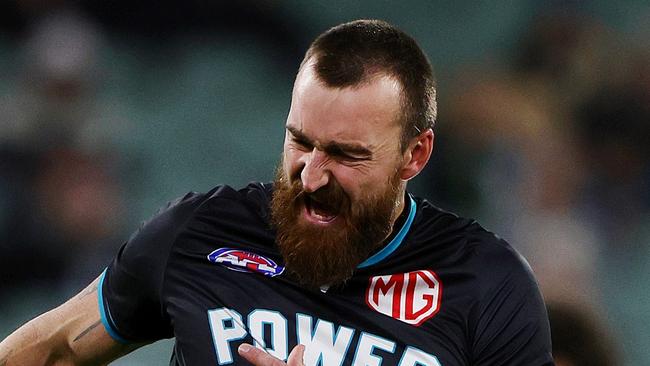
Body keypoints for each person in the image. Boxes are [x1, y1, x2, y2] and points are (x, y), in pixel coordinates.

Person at [0, 19, 553, 365]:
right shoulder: (199, 233)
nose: (311, 176)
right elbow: (55, 350)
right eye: (300, 142)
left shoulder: (487, 284)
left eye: (346, 154)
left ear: (416, 156)